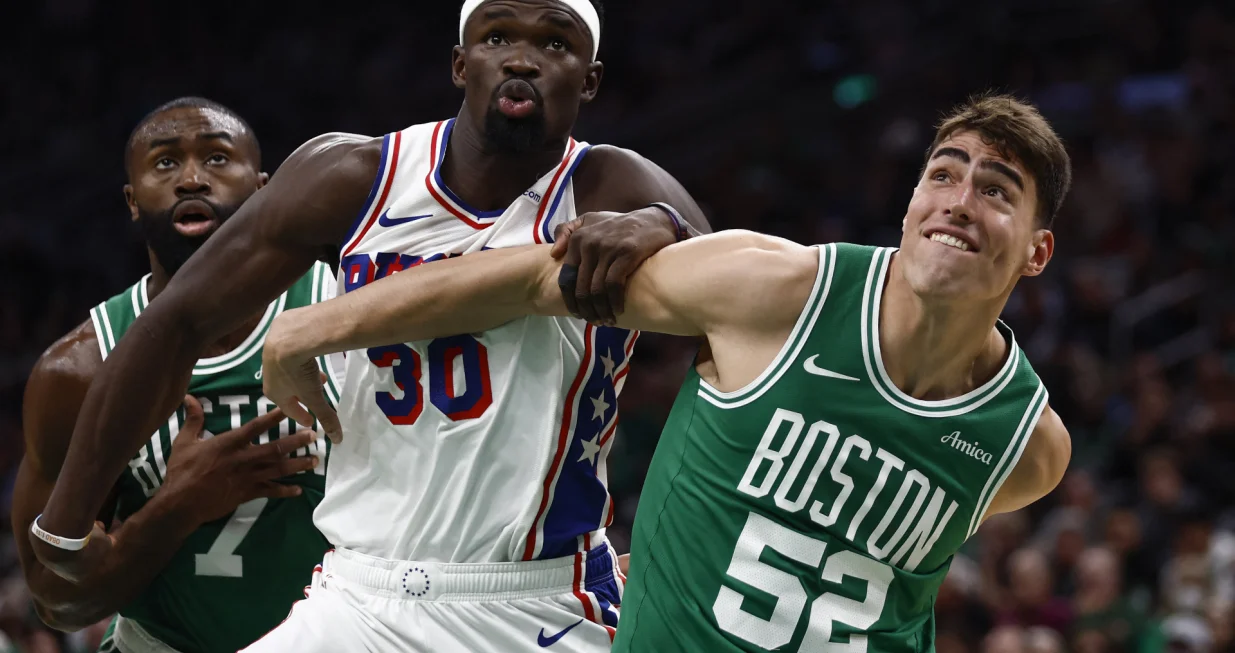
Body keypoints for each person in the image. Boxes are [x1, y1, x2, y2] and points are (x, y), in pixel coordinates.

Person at [261, 94, 1074, 652]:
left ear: (1037, 251)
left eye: (996, 189)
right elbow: (529, 277)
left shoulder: (1027, 448)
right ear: (908, 204)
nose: (959, 200)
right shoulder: (779, 292)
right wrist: (309, 327)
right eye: (943, 172)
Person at [31, 1, 711, 651]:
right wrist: (64, 527)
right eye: (497, 37)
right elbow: (178, 318)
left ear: (588, 80)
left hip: (539, 597)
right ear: (459, 64)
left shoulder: (616, 187)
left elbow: (742, 334)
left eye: (554, 43)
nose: (522, 59)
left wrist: (664, 225)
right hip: (360, 593)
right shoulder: (355, 177)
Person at [14, 97, 341, 653]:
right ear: (132, 201)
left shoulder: (344, 314)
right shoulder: (77, 370)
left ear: (264, 190)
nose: (192, 178)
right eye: (165, 163)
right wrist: (179, 507)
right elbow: (58, 603)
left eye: (217, 158)